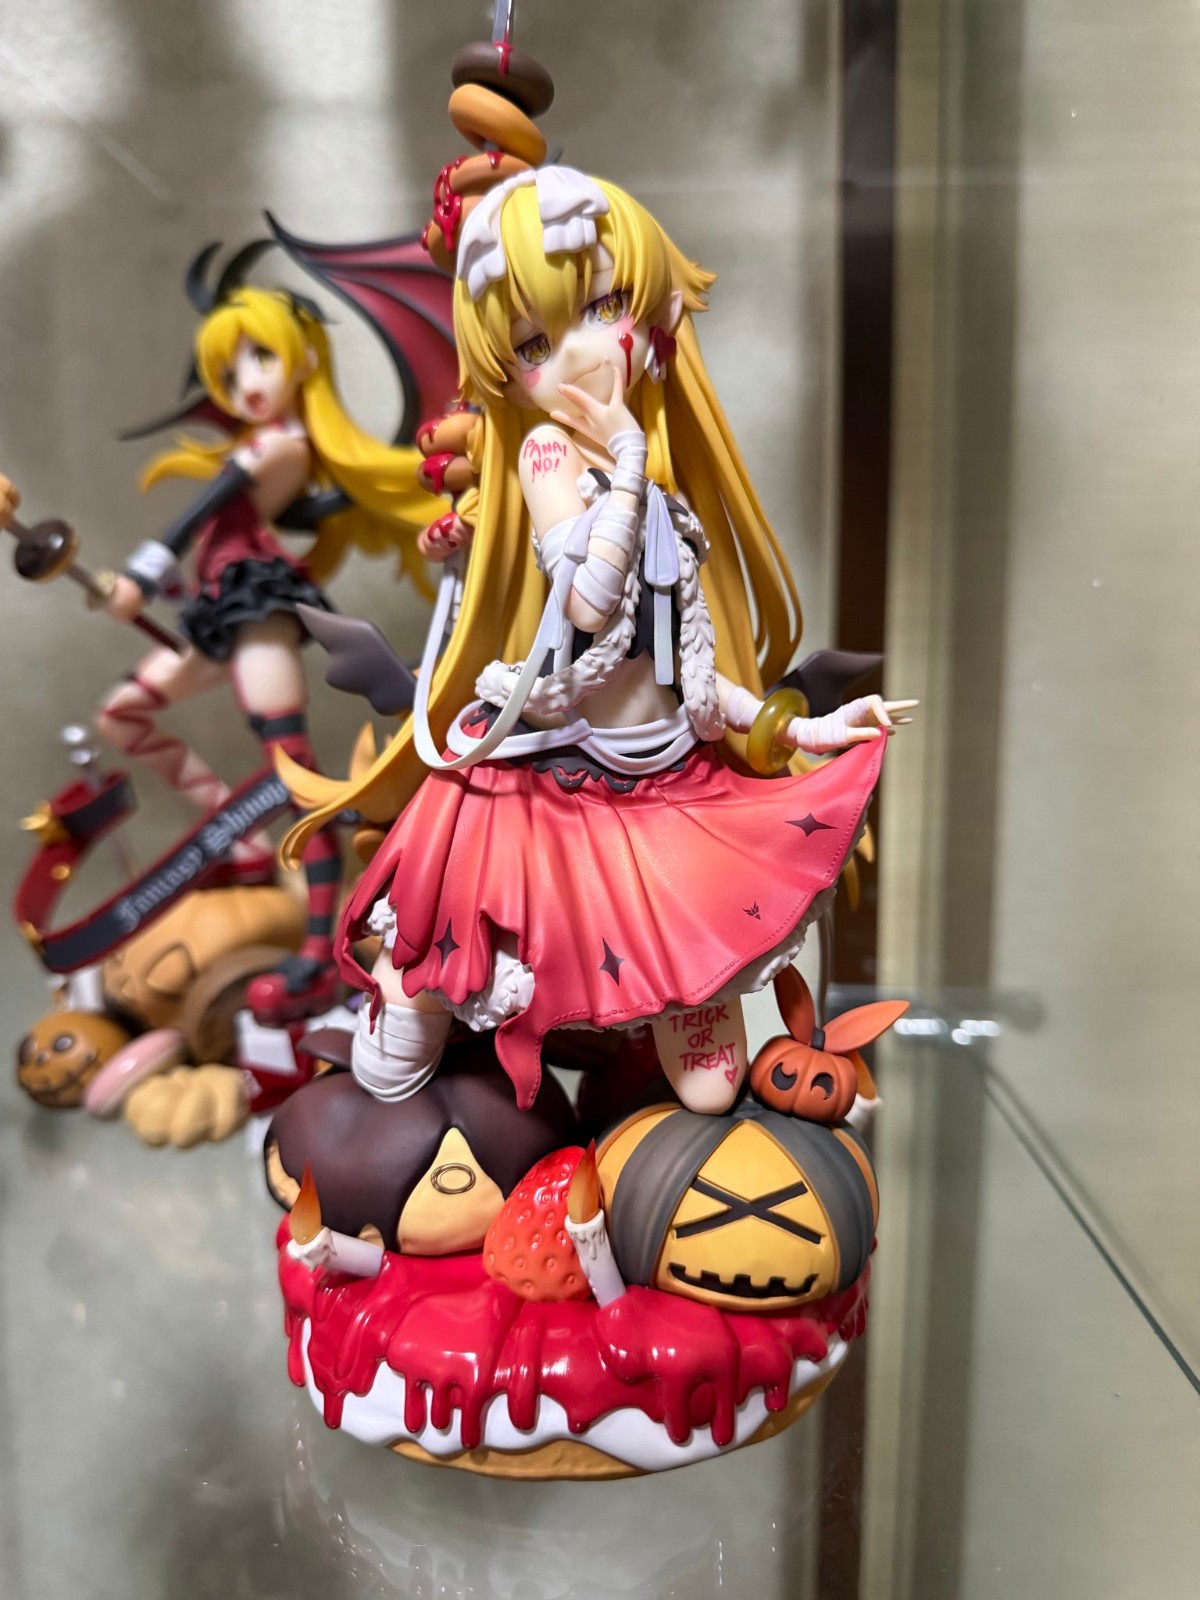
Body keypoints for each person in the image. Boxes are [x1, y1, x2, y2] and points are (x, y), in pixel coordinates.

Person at [281, 169, 914, 1108]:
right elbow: (586, 602)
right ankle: (411, 995)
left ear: (656, 318)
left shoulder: (660, 497)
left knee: (707, 1068)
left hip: (666, 775)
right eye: (535, 343)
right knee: (455, 937)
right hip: (549, 771)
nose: (576, 354)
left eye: (603, 307)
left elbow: (689, 673)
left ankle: (670, 1018)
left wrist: (807, 730)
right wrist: (625, 455)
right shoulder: (549, 456)